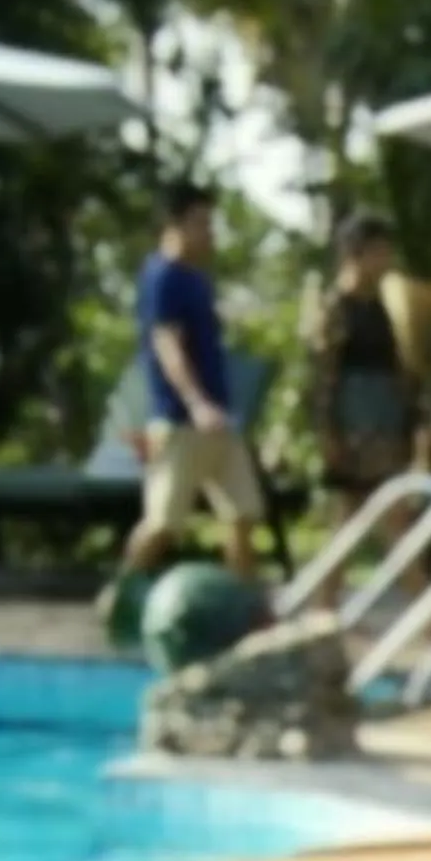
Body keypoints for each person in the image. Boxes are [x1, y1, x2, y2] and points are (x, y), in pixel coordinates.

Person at [113, 180, 263, 602]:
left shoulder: (198, 280)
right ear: (173, 225)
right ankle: (119, 596)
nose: (209, 232)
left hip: (219, 422)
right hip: (180, 422)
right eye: (200, 223)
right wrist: (196, 403)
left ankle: (245, 612)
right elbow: (166, 346)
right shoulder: (161, 278)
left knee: (242, 515)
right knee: (163, 525)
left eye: (210, 223)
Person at [307, 210, 425, 524]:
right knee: (379, 517)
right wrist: (328, 433)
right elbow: (323, 376)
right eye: (379, 251)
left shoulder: (383, 308)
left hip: (385, 426)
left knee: (372, 520)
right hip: (353, 430)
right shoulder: (335, 309)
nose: (386, 260)